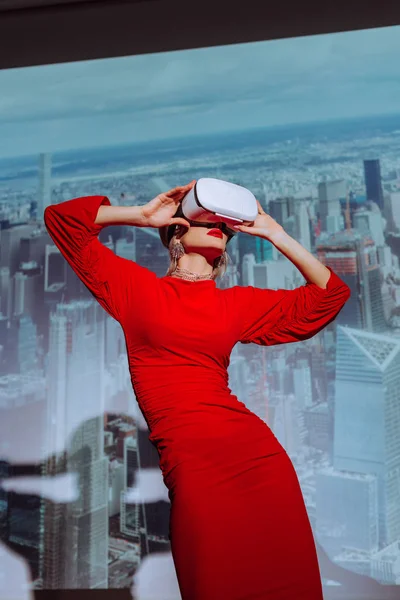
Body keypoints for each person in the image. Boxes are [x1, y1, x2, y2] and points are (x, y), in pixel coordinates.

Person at [44, 180, 351, 600]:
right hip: (196, 474)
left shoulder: (235, 304)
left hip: (260, 465)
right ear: (174, 230)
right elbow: (62, 220)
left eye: (225, 227)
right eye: (205, 219)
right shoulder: (136, 290)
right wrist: (139, 215)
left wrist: (273, 232)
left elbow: (328, 296)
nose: (218, 227)